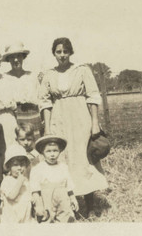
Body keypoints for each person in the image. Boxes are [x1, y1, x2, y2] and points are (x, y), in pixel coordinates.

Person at [39, 37, 109, 218]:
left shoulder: (82, 70)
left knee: (83, 161)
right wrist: (47, 128)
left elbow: (93, 97)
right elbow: (45, 103)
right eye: (58, 52)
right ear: (53, 53)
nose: (62, 55)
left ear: (70, 52)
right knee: (63, 160)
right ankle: (68, 205)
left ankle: (90, 205)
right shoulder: (49, 75)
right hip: (58, 120)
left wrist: (94, 123)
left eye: (65, 51)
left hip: (80, 119)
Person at [30, 135, 78, 223]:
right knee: (47, 220)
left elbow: (69, 186)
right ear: (42, 152)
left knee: (65, 218)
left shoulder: (63, 167)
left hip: (63, 200)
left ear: (60, 151)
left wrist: (72, 198)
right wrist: (38, 205)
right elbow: (35, 189)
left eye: (55, 151)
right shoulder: (38, 168)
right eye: (48, 151)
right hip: (46, 200)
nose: (52, 154)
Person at [2, 42, 42, 138]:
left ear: (23, 57)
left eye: (19, 56)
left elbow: (39, 98)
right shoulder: (4, 78)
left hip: (33, 115)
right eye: (12, 57)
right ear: (8, 59)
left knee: (34, 143)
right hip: (15, 116)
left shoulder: (32, 76)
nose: (16, 60)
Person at [0, 144, 34, 224]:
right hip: (12, 219)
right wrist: (19, 182)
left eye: (22, 165)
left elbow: (29, 197)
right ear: (8, 167)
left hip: (26, 218)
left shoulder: (25, 181)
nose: (19, 168)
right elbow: (11, 196)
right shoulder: (7, 180)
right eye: (15, 165)